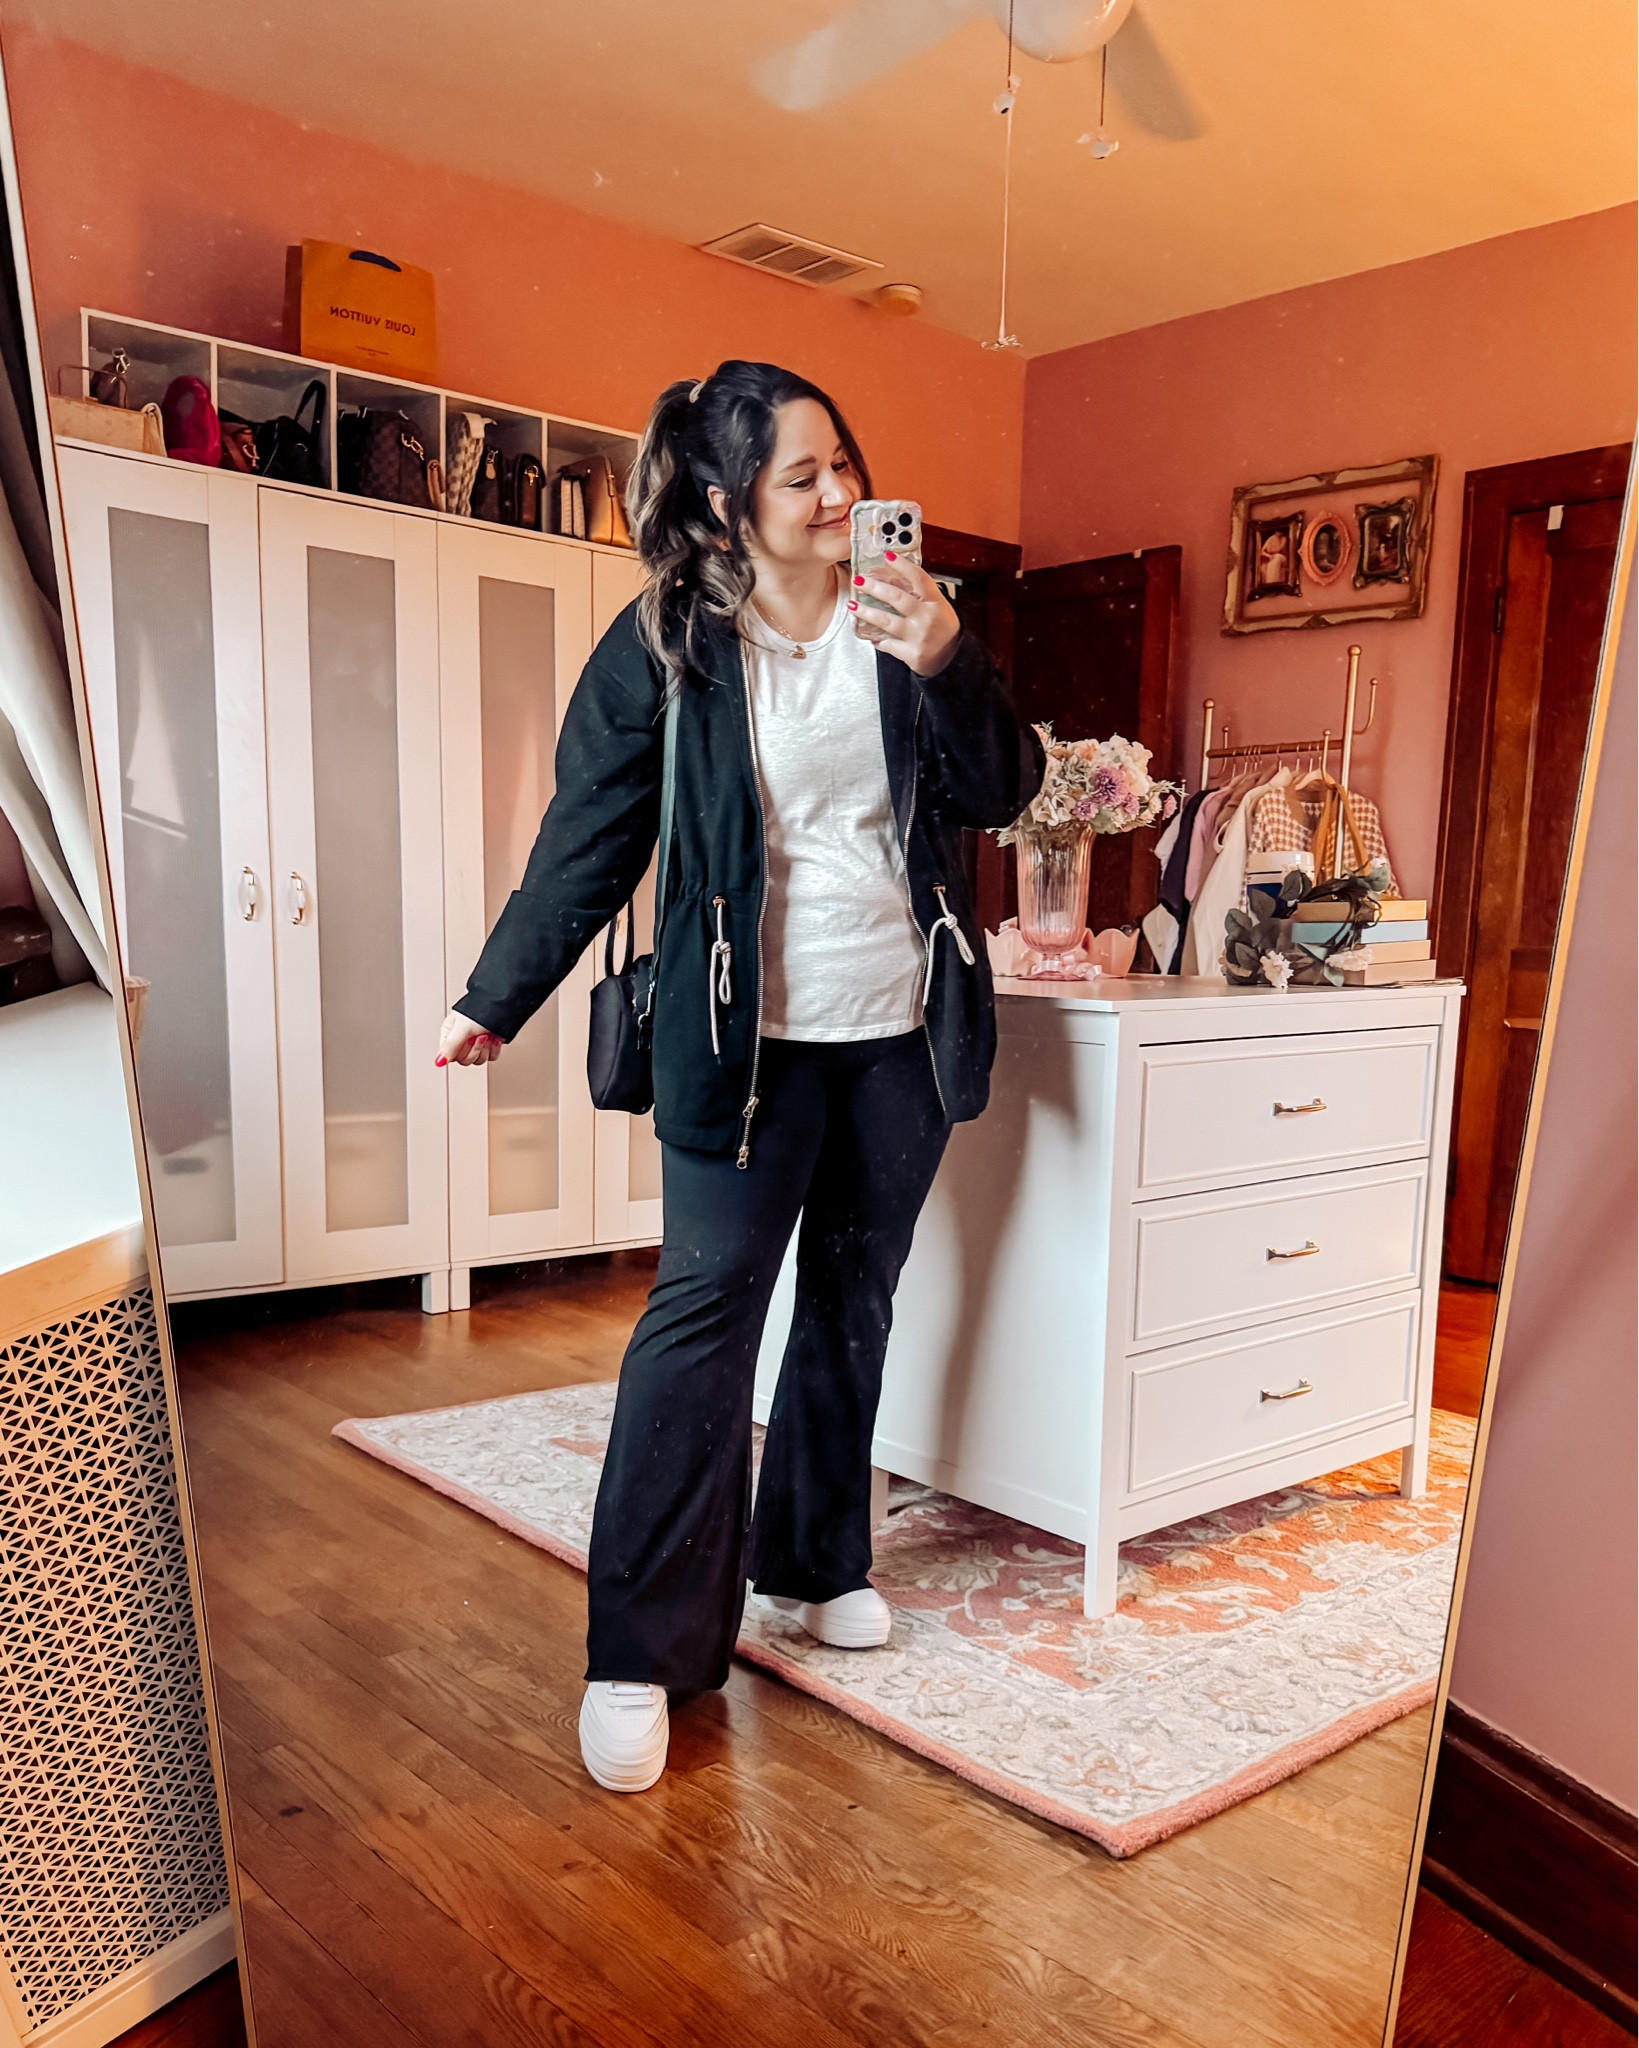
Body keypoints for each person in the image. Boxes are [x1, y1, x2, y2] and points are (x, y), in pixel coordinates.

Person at [437, 359, 1043, 1793]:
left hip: (896, 1032)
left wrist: (949, 656)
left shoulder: (907, 618)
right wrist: (496, 995)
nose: (842, 496)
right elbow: (588, 835)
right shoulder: (668, 644)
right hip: (740, 1047)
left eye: (847, 465)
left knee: (852, 1299)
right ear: (726, 506)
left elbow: (1004, 789)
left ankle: (816, 1560)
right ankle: (638, 1650)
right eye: (804, 478)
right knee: (702, 1320)